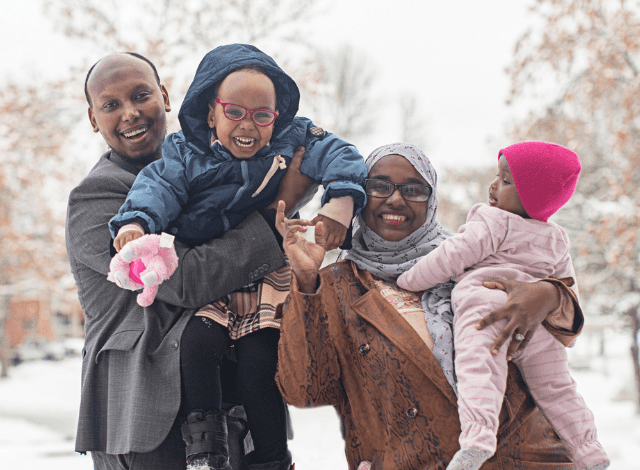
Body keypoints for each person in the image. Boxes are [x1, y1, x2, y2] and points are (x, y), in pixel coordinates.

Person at [105, 44, 367, 470]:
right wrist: (136, 224)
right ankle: (205, 450)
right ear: (211, 112)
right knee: (198, 343)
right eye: (234, 112)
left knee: (259, 358)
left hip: (265, 274)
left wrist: (339, 202)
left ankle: (271, 457)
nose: (249, 125)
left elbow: (342, 154)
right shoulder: (185, 153)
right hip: (215, 268)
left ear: (277, 116)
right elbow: (157, 187)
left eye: (262, 115)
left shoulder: (294, 137)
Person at [66, 52, 313, 470]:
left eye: (141, 95)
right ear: (94, 119)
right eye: (111, 105)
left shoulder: (222, 171)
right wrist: (274, 213)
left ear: (164, 97)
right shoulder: (96, 201)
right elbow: (185, 280)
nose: (130, 113)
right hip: (148, 420)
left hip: (238, 412)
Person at [275, 142, 587, 470]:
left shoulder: (475, 251)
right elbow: (305, 389)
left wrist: (550, 295)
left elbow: (563, 336)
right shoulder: (337, 286)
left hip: (529, 458)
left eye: (414, 190)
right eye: (379, 187)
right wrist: (307, 282)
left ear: (432, 200)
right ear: (361, 198)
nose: (396, 199)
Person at [397, 141, 609, 470]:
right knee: (558, 387)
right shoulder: (557, 239)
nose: (493, 185)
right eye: (497, 176)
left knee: (478, 367)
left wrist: (408, 280)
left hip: (486, 305)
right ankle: (589, 451)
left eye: (506, 181)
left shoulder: (493, 222)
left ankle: (478, 438)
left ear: (533, 196)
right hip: (538, 324)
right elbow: (569, 291)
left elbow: (451, 256)